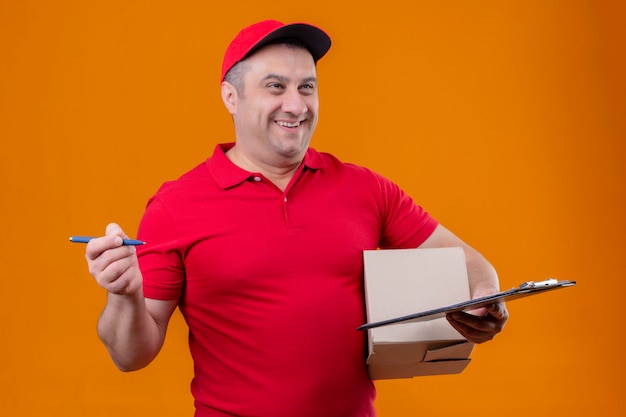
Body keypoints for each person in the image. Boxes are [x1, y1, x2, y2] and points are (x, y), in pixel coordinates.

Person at [84, 19, 508, 417]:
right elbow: (130, 356)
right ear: (231, 97)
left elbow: (467, 264)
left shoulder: (366, 189)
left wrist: (487, 297)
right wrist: (124, 295)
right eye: (275, 86)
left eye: (307, 86)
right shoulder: (175, 206)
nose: (296, 104)